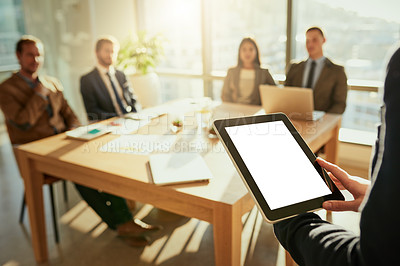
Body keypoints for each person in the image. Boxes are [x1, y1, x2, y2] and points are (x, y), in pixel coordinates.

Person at [0, 35, 159, 247]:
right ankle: (121, 223)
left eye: (39, 55)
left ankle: (125, 220)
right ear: (18, 56)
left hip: (64, 144)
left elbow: (70, 114)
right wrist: (38, 95)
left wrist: (76, 131)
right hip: (35, 153)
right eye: (30, 55)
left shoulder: (52, 83)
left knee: (102, 163)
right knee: (81, 173)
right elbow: (22, 122)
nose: (36, 59)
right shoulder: (6, 88)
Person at [273, 47, 400, 265]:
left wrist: (292, 218)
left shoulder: (341, 70)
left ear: (323, 41)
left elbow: (372, 260)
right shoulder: (296, 67)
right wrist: (379, 197)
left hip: (320, 122)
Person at [285, 27, 348, 114]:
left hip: (323, 122)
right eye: (307, 41)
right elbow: (286, 96)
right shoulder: (294, 67)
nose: (310, 44)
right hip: (295, 119)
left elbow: (340, 104)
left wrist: (324, 120)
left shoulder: (337, 71)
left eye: (314, 40)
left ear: (324, 40)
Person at [80, 36, 138, 121]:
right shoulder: (87, 80)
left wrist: (135, 115)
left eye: (113, 52)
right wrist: (118, 118)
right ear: (97, 52)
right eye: (107, 51)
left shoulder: (121, 75)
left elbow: (133, 100)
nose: (111, 55)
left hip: (130, 119)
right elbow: (92, 111)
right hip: (110, 123)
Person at [221, 37, 275, 105]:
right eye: (244, 49)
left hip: (256, 111)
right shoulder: (231, 72)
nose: (247, 53)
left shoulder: (264, 72)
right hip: (234, 110)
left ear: (256, 52)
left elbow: (275, 93)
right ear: (239, 52)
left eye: (251, 49)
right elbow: (225, 95)